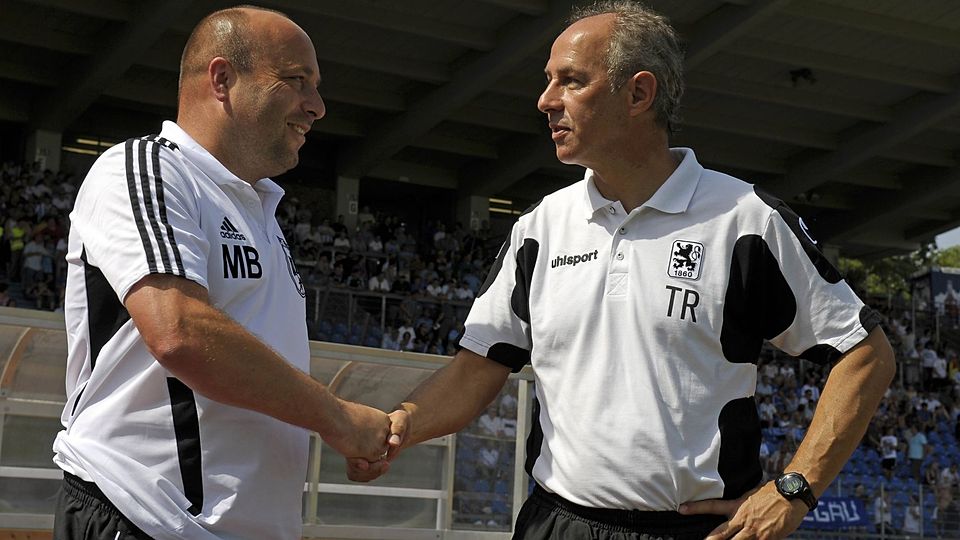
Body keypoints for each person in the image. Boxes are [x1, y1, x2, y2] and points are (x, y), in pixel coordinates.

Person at [347, 2, 895, 539]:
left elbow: (866, 353)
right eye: (547, 81)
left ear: (638, 93)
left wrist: (795, 488)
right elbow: (476, 371)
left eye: (570, 81)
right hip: (553, 522)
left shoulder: (746, 220)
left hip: (690, 530)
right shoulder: (541, 226)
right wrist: (401, 426)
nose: (545, 101)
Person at [51, 7, 396, 540]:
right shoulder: (147, 167)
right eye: (297, 81)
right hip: (145, 517)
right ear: (222, 79)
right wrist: (337, 418)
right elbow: (179, 331)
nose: (317, 107)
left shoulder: (261, 210)